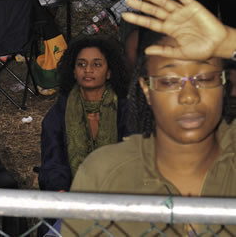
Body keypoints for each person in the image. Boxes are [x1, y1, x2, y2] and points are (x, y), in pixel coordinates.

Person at [61, 14, 235, 237]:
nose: (189, 97)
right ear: (146, 90)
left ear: (224, 83)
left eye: (204, 78)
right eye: (169, 81)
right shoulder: (103, 173)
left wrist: (232, 43)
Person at [39, 36, 130, 192]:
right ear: (73, 71)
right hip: (71, 197)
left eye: (97, 64)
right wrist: (61, 190)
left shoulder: (126, 111)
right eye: (81, 64)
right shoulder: (58, 114)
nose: (88, 70)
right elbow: (53, 162)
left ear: (109, 72)